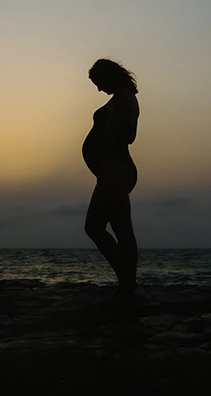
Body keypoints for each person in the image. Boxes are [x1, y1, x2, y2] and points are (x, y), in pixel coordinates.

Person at [83, 57, 139, 306]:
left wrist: (94, 155)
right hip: (111, 172)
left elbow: (116, 134)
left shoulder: (124, 98)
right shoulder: (121, 98)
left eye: (98, 82)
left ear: (109, 76)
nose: (98, 89)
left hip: (116, 172)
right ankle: (127, 281)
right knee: (95, 227)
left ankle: (128, 286)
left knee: (121, 230)